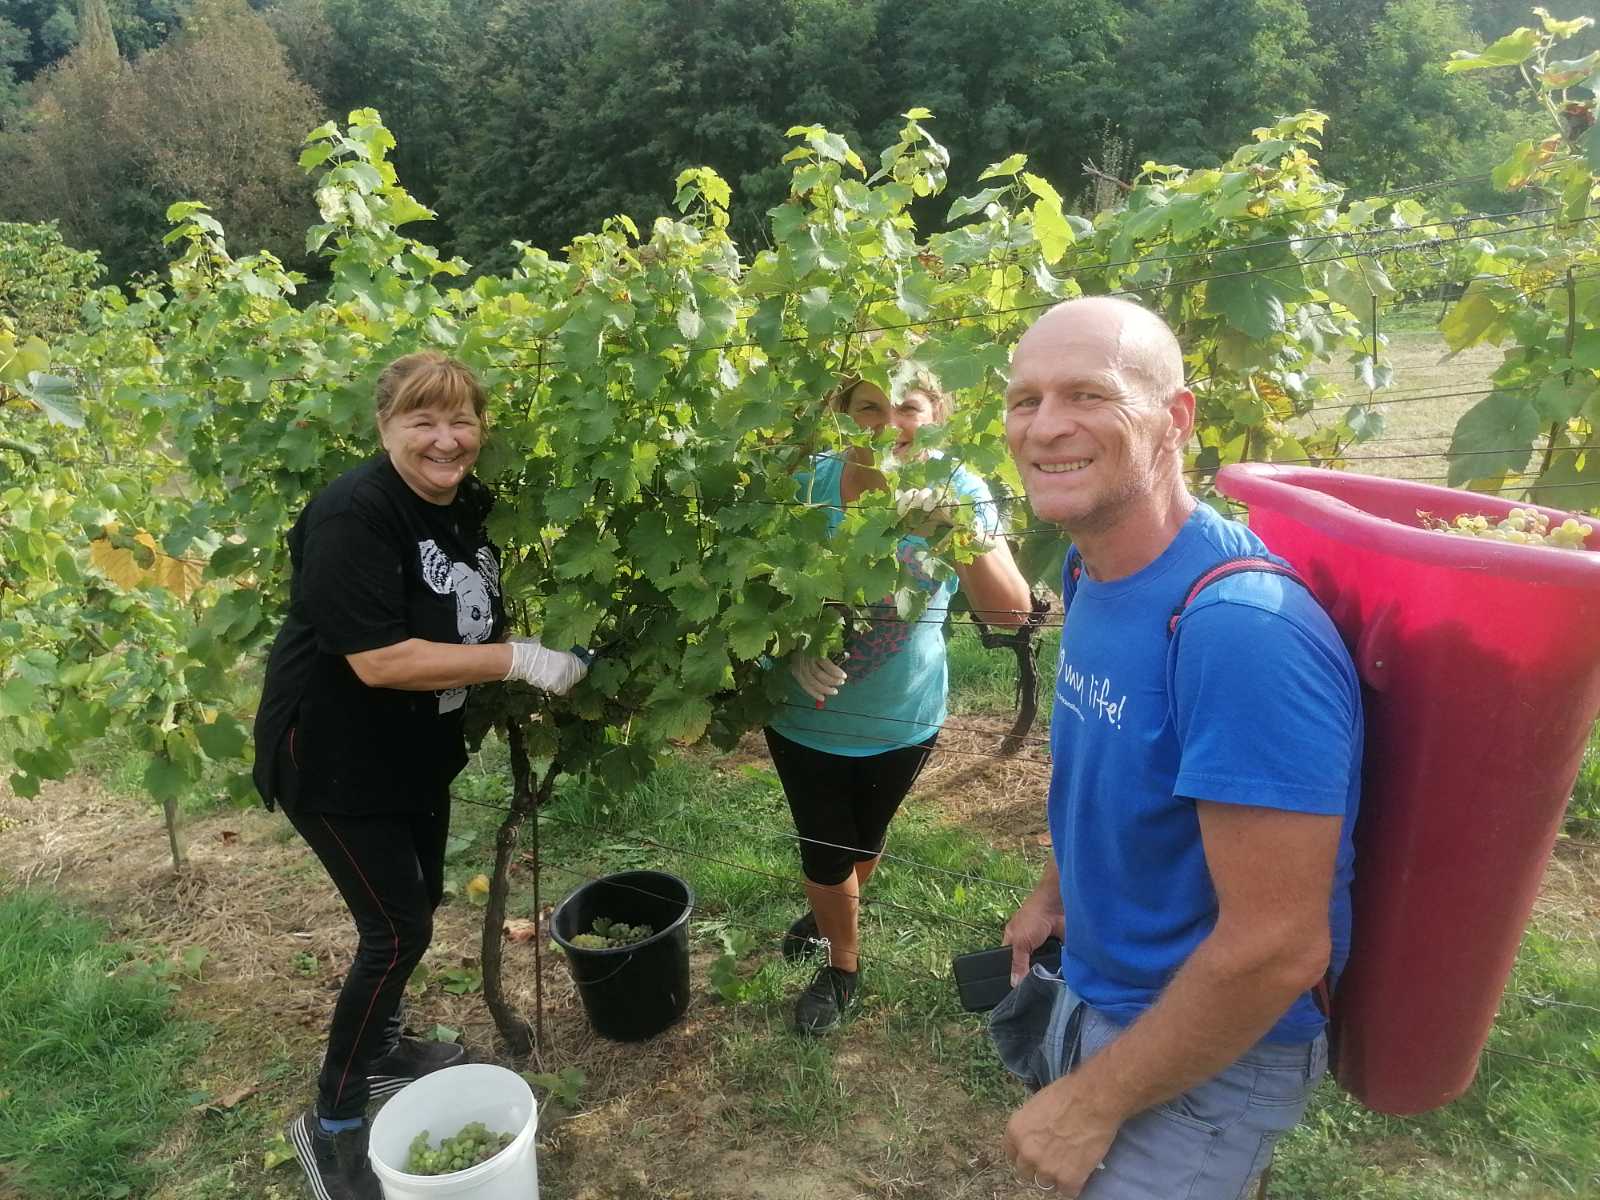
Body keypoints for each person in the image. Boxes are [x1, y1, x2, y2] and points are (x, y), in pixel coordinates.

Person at [991, 297, 1361, 1199]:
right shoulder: (1093, 565)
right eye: (1023, 399)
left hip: (1206, 1048)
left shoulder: (1240, 634)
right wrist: (1058, 887)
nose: (1045, 427)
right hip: (1107, 984)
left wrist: (1093, 1102)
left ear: (1176, 419)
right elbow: (1114, 762)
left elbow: (1279, 947)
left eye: (1087, 394)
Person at [251, 351, 588, 1200]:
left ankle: (388, 1046)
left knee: (421, 901)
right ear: (385, 426)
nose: (447, 439)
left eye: (462, 419)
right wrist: (521, 660)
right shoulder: (352, 515)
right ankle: (331, 1117)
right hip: (332, 757)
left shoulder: (462, 502)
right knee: (396, 929)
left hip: (413, 752)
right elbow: (377, 660)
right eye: (422, 420)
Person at [766, 367, 1033, 1035]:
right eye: (868, 406)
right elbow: (753, 585)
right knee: (825, 849)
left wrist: (956, 530)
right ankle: (843, 966)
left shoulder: (960, 490)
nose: (889, 422)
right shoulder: (807, 485)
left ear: (937, 414)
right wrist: (790, 642)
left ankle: (834, 906)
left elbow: (1010, 615)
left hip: (905, 715)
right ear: (842, 413)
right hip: (805, 716)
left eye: (908, 406)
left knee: (866, 837)